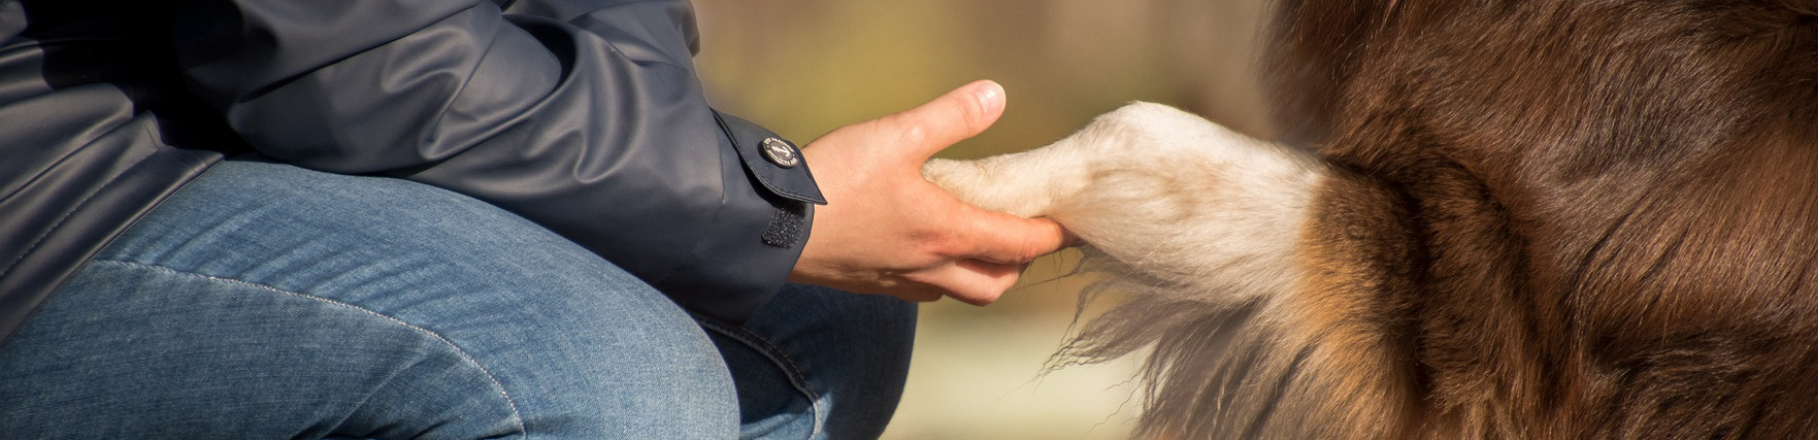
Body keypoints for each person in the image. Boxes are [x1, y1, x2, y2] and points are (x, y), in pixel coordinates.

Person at [0, 0, 1068, 438]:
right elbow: (343, 51)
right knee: (602, 372)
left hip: (223, 137)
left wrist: (754, 215)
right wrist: (763, 207)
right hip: (50, 196)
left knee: (822, 323)